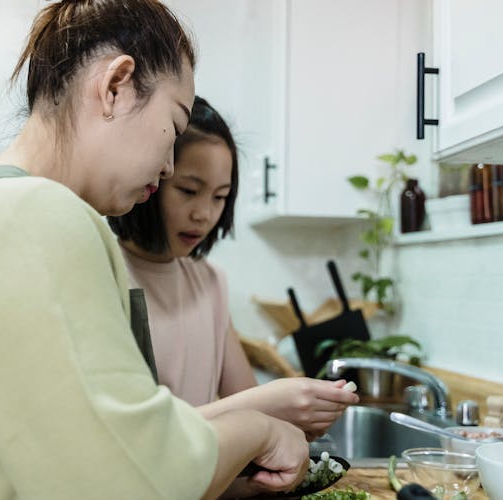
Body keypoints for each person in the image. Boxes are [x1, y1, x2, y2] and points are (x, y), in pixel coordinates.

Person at [0, 2, 310, 499]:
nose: (169, 166)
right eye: (172, 128)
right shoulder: (30, 215)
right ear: (115, 86)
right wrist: (261, 430)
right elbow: (131, 481)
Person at [108, 95, 359, 442]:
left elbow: (245, 396)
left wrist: (298, 414)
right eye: (189, 190)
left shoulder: (211, 282)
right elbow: (136, 436)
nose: (204, 214)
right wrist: (269, 402)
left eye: (220, 196)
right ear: (152, 177)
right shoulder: (106, 274)